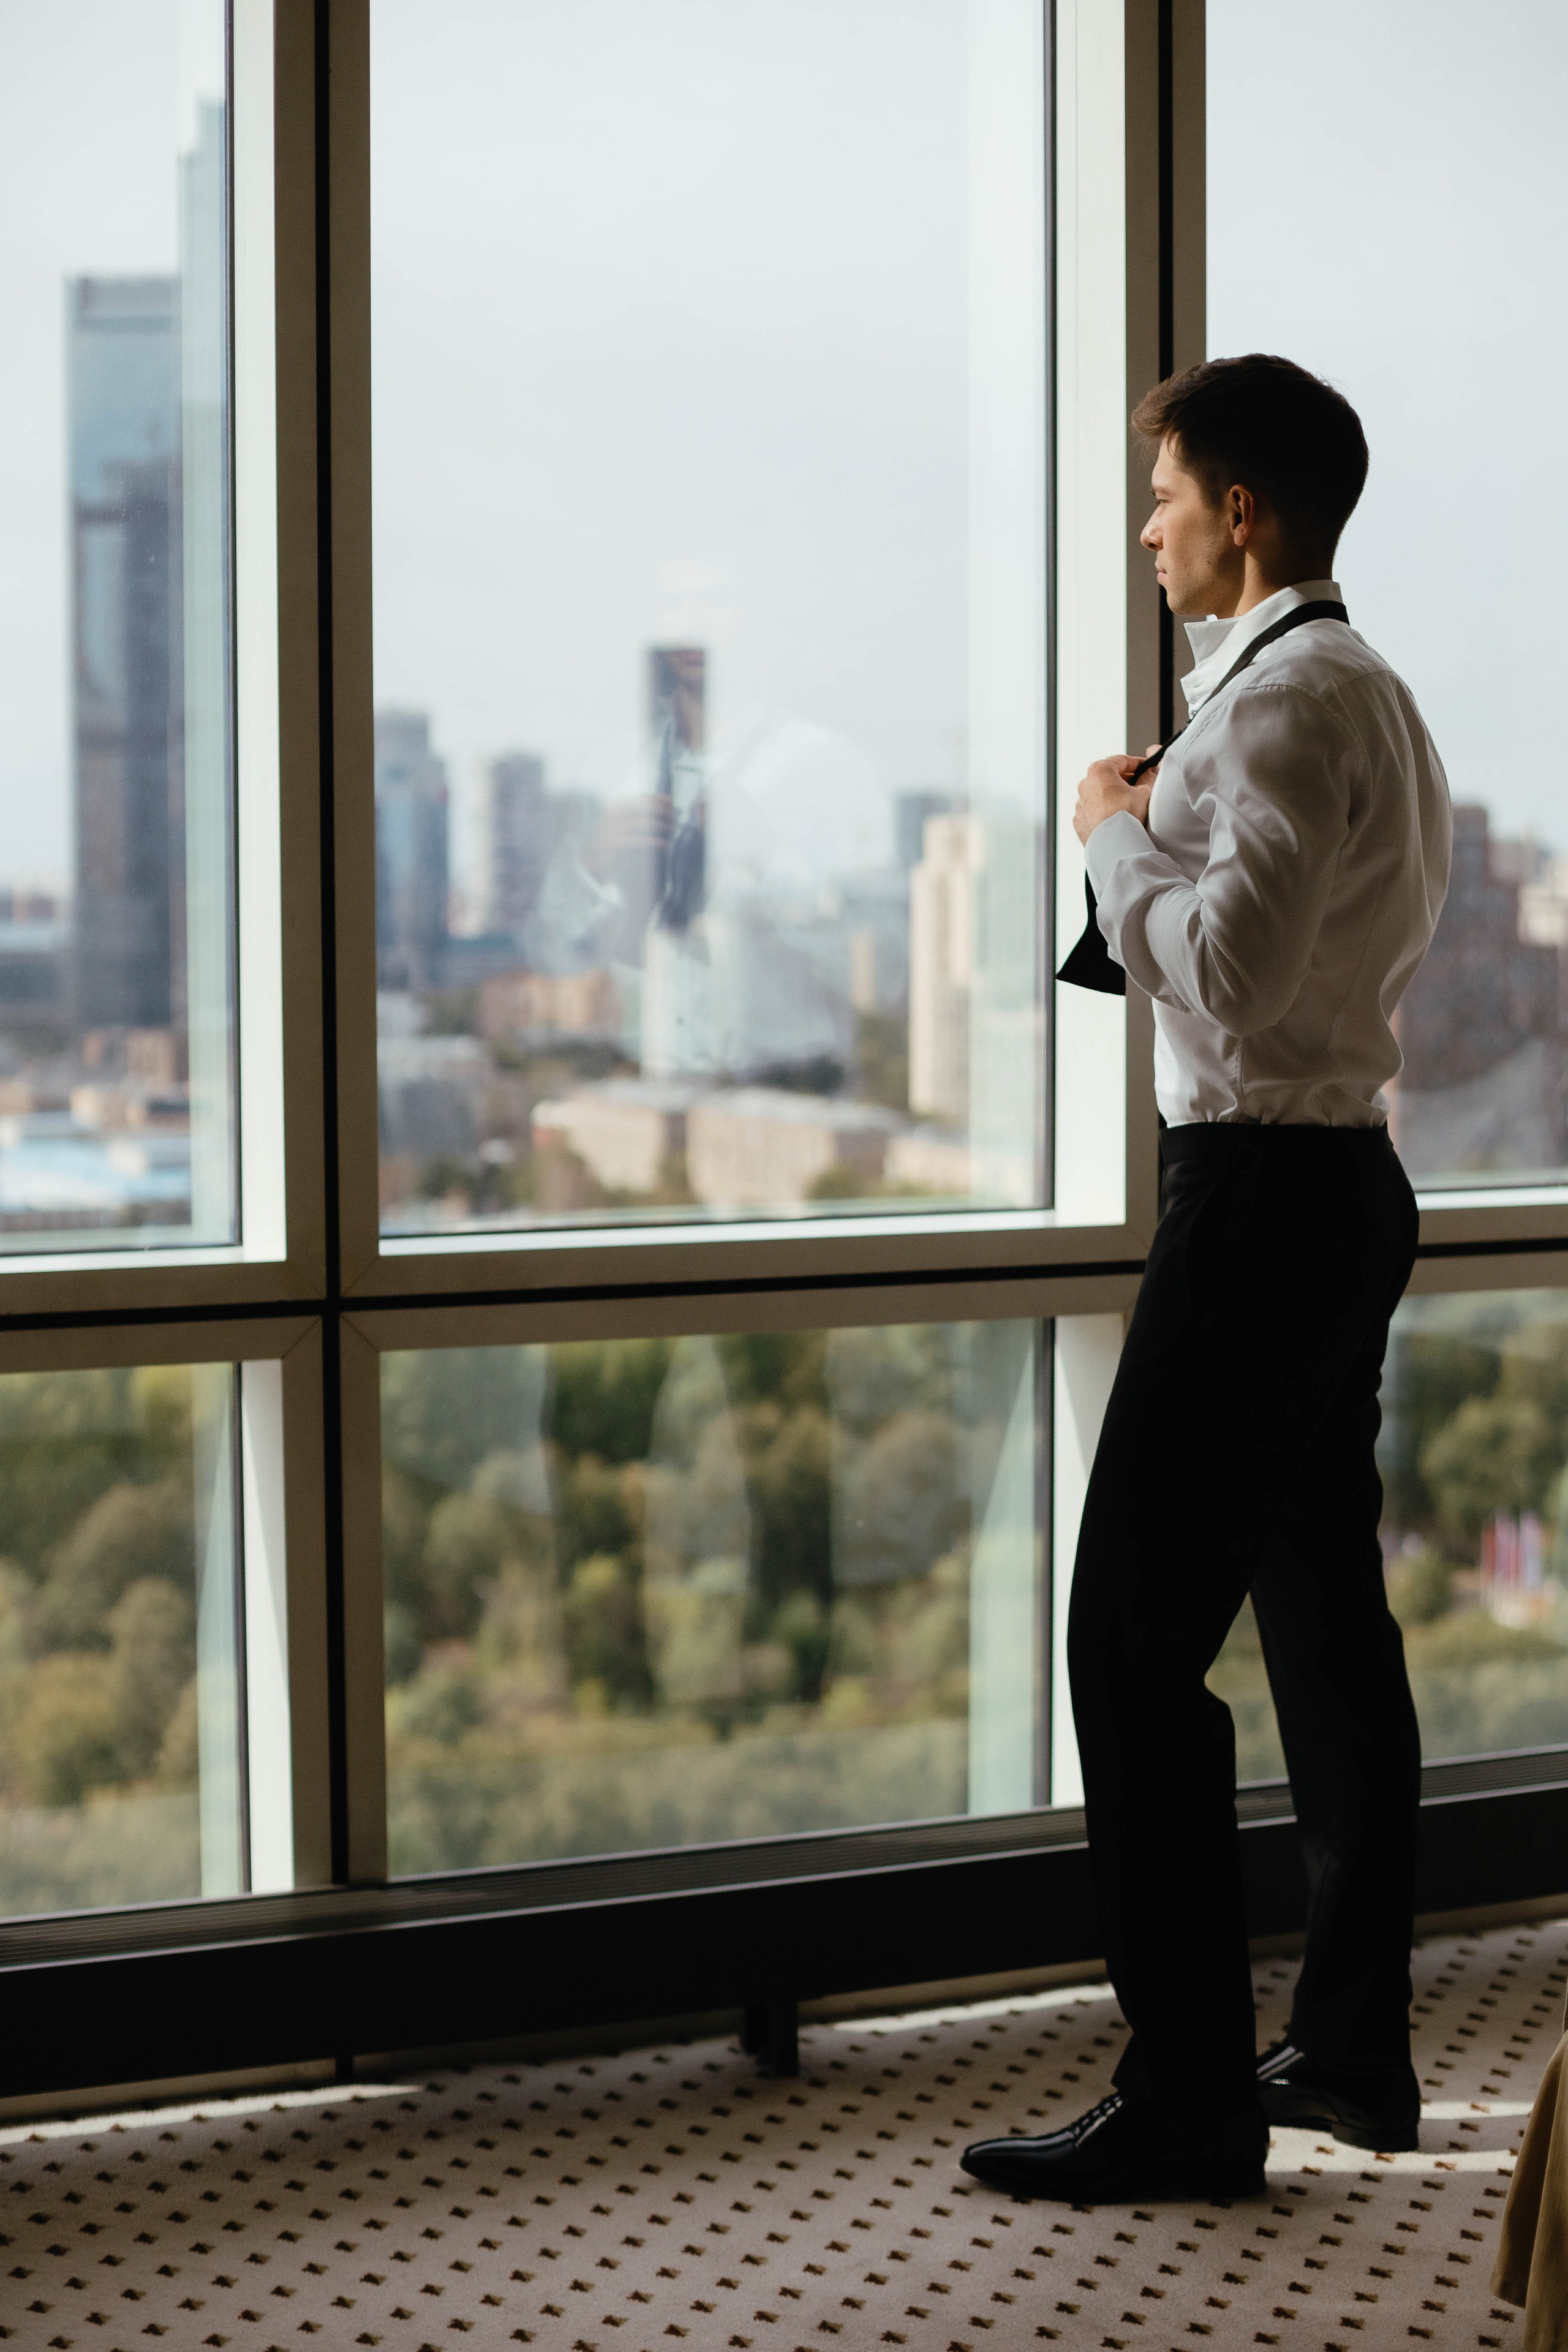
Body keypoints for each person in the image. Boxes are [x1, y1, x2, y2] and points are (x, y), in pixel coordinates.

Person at [963, 353, 1452, 2204]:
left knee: (1125, 1645)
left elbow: (1234, 978)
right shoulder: (1365, 689)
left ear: (1240, 512)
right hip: (1339, 1184)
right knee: (1326, 1627)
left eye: (1164, 498)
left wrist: (1107, 829)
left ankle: (1188, 2097)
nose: (1148, 532)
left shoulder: (1278, 707)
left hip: (1256, 1199)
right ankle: (1352, 2048)